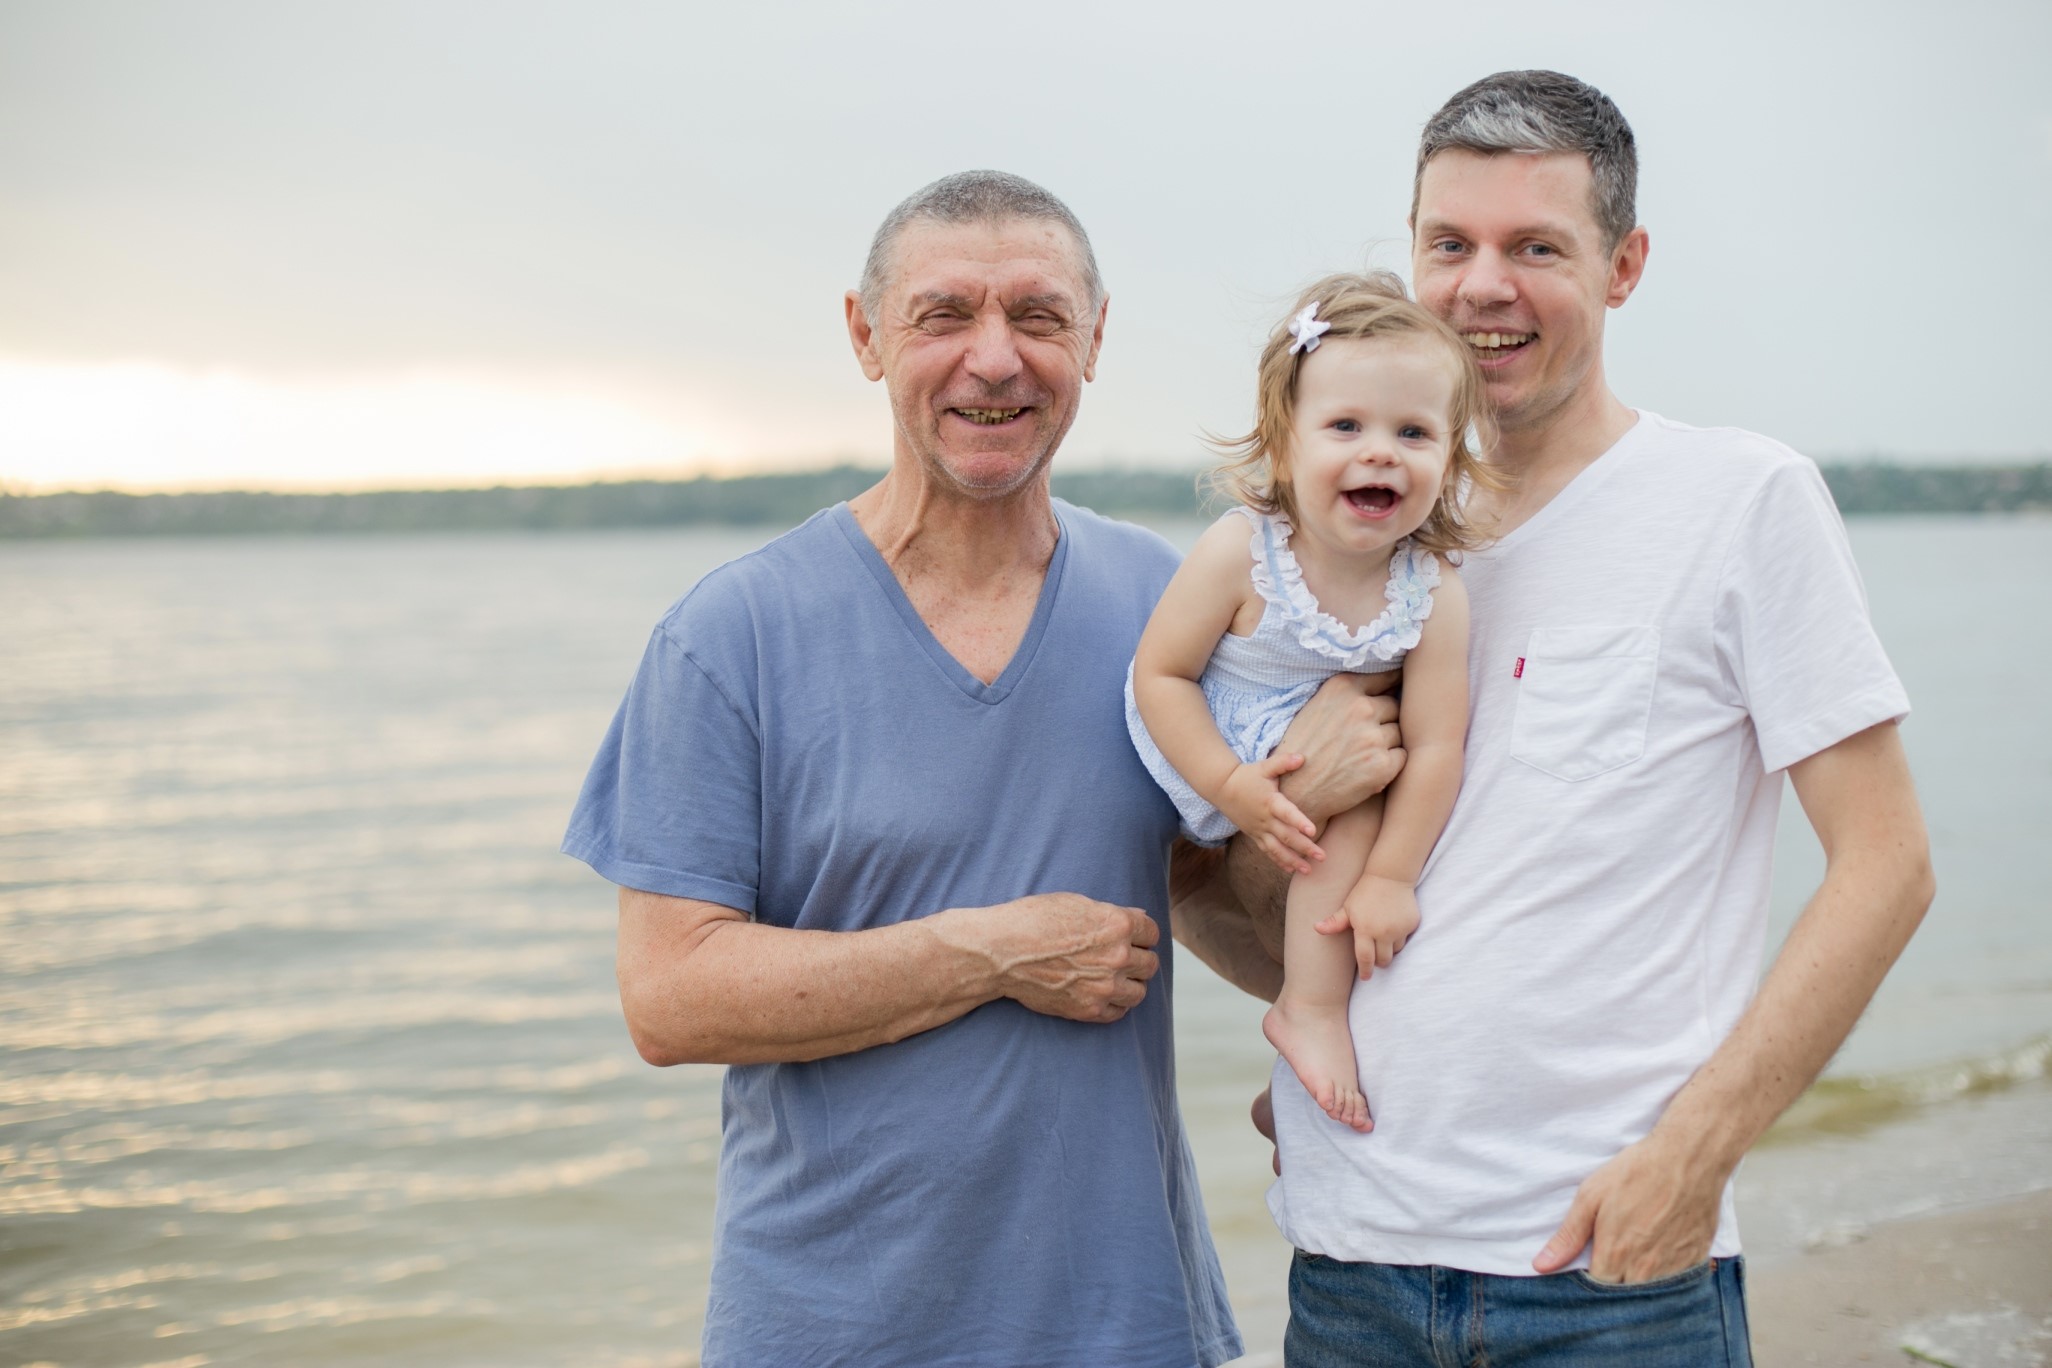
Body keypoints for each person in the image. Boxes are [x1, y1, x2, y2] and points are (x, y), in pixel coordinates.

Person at [1179, 71, 1935, 1364]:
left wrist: (1694, 1157)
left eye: (1537, 248)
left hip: (1608, 1277)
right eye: (1450, 245)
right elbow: (1208, 889)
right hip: (1350, 1268)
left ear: (1624, 266)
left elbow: (1889, 866)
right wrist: (1292, 825)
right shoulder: (1334, 556)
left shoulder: (1738, 502)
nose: (1484, 286)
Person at [562, 170, 1265, 1368]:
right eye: (944, 315)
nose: (994, 359)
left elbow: (1217, 903)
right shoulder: (732, 634)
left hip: (1129, 1322)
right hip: (830, 1331)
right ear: (865, 335)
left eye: (1038, 316)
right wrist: (989, 954)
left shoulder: (1170, 604)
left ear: (1095, 339)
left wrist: (1323, 797)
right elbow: (669, 1000)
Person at [1128, 272, 1492, 1131]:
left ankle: (1311, 1041)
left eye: (1414, 432)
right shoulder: (1243, 552)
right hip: (1203, 751)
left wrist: (1393, 878)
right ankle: (1305, 1020)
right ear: (1285, 444)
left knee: (1375, 801)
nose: (1381, 452)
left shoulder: (1432, 592)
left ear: (1451, 457)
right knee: (1351, 799)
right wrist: (1229, 785)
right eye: (1346, 426)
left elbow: (1436, 746)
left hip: (1318, 763)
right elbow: (1160, 675)